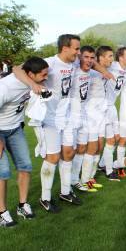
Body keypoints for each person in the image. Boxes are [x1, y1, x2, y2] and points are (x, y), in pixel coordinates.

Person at [14, 34, 82, 212]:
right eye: (76, 48)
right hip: (49, 117)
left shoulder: (74, 62)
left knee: (69, 153)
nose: (79, 52)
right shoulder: (49, 62)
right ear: (64, 48)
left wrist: (104, 71)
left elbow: (90, 60)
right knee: (52, 157)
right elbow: (16, 69)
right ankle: (45, 198)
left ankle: (65, 192)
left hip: (66, 115)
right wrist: (33, 85)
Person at [0, 57, 48, 227]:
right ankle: (2, 212)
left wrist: (35, 85)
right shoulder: (5, 87)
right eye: (42, 75)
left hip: (15, 128)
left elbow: (17, 67)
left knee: (26, 166)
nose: (46, 78)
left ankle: (22, 205)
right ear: (30, 74)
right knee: (3, 172)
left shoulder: (27, 77)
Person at [82, 46, 115, 192]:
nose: (111, 59)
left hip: (101, 112)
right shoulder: (91, 71)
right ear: (99, 58)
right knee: (91, 148)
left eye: (112, 56)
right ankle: (84, 180)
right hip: (90, 114)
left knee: (99, 146)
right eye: (109, 56)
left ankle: (91, 177)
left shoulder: (106, 71)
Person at [100, 47, 126, 180]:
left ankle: (102, 164)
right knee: (111, 140)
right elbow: (98, 64)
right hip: (102, 106)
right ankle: (108, 171)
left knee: (116, 138)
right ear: (121, 58)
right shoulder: (112, 65)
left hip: (112, 106)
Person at [67, 46, 94, 192]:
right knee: (69, 151)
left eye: (91, 58)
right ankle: (66, 185)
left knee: (82, 148)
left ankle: (74, 180)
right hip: (70, 116)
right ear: (79, 57)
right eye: (86, 57)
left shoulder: (92, 73)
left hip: (84, 115)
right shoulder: (73, 70)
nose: (89, 61)